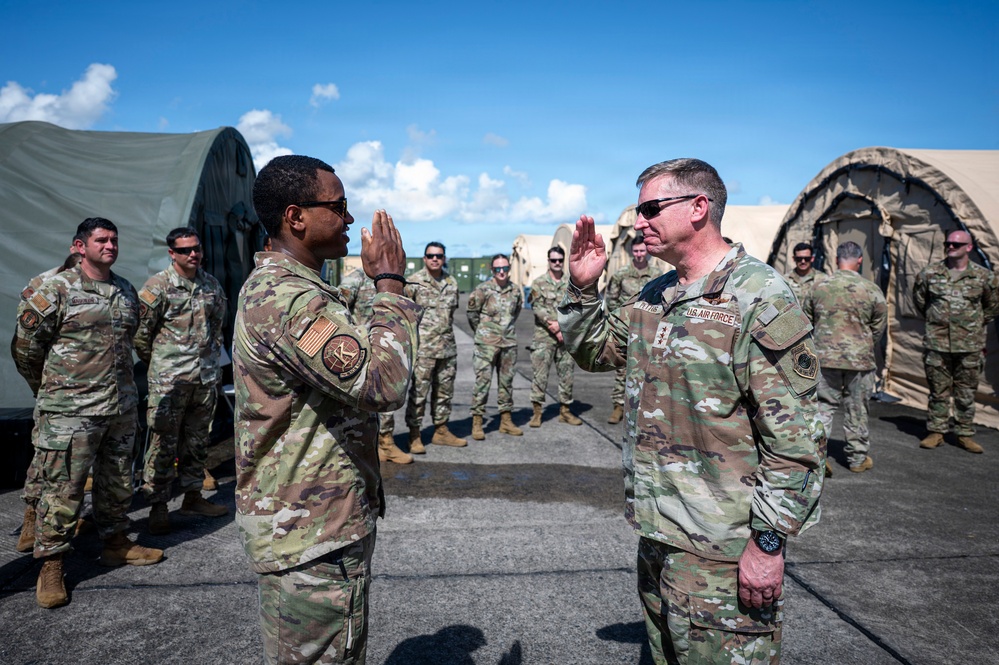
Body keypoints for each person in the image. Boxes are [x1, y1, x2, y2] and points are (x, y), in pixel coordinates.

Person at [559, 158, 825, 664]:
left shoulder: (758, 299)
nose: (639, 223)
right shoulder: (657, 295)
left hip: (723, 551)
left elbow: (796, 440)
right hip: (660, 535)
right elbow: (596, 352)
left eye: (651, 208)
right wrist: (582, 289)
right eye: (639, 211)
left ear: (699, 208)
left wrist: (767, 546)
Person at [233, 154, 419, 664]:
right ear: (296, 217)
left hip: (317, 524)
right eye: (337, 206)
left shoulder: (301, 290)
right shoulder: (288, 300)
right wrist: (390, 286)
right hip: (308, 533)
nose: (350, 219)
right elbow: (383, 382)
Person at [14, 218, 164, 609]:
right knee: (63, 490)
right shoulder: (57, 290)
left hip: (119, 407)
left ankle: (115, 542)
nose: (110, 246)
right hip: (70, 410)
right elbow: (26, 348)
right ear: (80, 246)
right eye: (102, 240)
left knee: (116, 484)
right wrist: (50, 391)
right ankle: (50, 564)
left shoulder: (125, 289)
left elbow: (133, 341)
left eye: (114, 240)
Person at [133, 227, 229, 535]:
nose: (193, 254)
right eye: (185, 250)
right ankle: (158, 506)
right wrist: (162, 366)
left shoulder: (211, 285)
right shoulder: (157, 287)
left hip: (204, 378)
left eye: (196, 248)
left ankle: (193, 496)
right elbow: (140, 335)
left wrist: (212, 367)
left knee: (198, 440)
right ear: (172, 253)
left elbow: (218, 329)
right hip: (169, 381)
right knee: (163, 443)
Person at [13, 251, 83, 553]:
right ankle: (32, 516)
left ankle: (69, 518)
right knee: (45, 459)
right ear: (76, 248)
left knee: (77, 465)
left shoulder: (102, 284)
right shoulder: (44, 284)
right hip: (55, 391)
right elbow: (26, 347)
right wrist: (44, 385)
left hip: (91, 392)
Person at [803, 241, 887, 475]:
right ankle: (857, 459)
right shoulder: (870, 289)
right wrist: (863, 342)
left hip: (824, 357)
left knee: (822, 408)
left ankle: (818, 457)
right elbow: (878, 327)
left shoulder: (819, 287)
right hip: (859, 360)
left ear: (836, 259)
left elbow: (806, 321)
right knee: (857, 409)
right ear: (859, 261)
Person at [913, 229, 999, 453]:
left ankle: (964, 433)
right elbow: (920, 302)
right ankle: (936, 431)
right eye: (948, 243)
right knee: (937, 390)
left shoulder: (983, 277)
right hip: (937, 343)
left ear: (969, 247)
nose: (950, 247)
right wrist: (938, 322)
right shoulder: (929, 274)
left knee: (966, 391)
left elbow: (991, 307)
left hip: (969, 345)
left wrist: (971, 326)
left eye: (956, 244)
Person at [340, 267, 414, 464]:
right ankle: (365, 447)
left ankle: (386, 443)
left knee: (387, 396)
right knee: (364, 401)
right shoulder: (355, 279)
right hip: (363, 351)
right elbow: (340, 311)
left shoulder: (394, 279)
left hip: (388, 348)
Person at [403, 242, 467, 448]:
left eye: (439, 255)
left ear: (444, 258)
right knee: (419, 394)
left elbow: (452, 313)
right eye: (430, 255)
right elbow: (405, 315)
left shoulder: (452, 282)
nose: (435, 259)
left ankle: (441, 430)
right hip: (423, 350)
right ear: (424, 258)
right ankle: (414, 434)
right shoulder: (413, 283)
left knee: (445, 392)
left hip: (447, 348)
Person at [467, 254, 523, 440]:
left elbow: (516, 312)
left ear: (509, 269)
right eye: (497, 269)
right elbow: (472, 314)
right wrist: (483, 332)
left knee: (506, 383)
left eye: (505, 268)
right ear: (492, 270)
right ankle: (477, 421)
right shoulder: (482, 289)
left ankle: (506, 421)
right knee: (482, 382)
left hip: (508, 343)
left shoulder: (515, 290)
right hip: (486, 344)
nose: (502, 272)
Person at [603, 235, 657, 424]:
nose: (639, 254)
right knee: (622, 369)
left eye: (642, 250)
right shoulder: (621, 274)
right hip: (628, 329)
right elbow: (611, 300)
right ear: (631, 252)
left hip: (650, 331)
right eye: (636, 251)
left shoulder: (657, 274)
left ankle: (645, 411)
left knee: (650, 371)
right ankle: (618, 406)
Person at [527, 246, 582, 428]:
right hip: (544, 337)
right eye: (553, 260)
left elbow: (576, 309)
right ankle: (536, 412)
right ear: (548, 261)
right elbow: (536, 307)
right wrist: (555, 327)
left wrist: (562, 326)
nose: (557, 263)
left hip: (566, 338)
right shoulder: (538, 283)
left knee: (567, 375)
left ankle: (565, 411)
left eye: (560, 260)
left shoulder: (572, 284)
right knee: (540, 376)